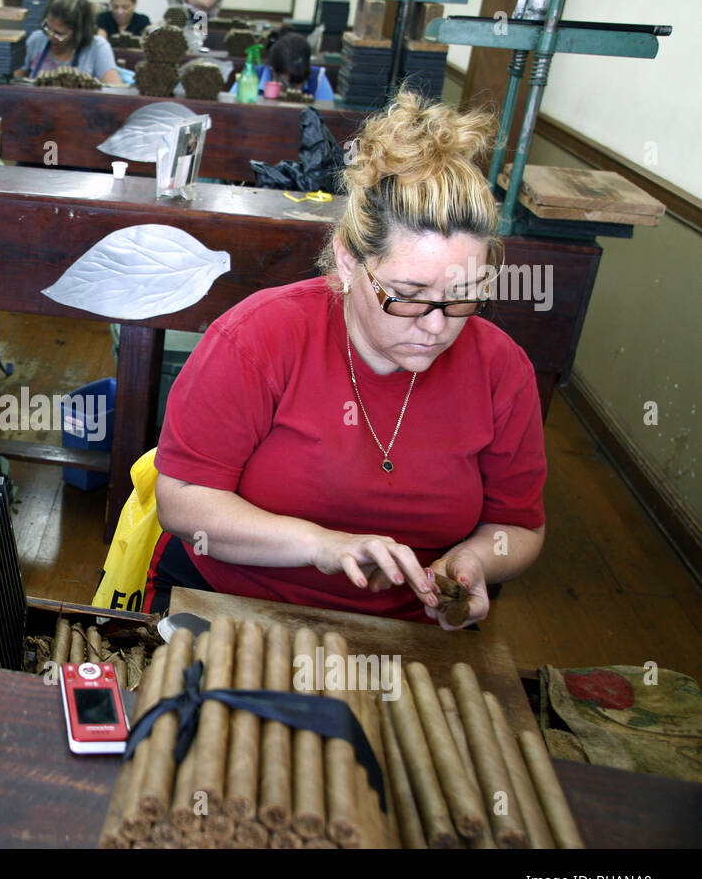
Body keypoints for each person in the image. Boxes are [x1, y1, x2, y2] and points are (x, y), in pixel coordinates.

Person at [147, 92, 547, 629]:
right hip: (235, 605)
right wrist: (319, 545)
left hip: (405, 631)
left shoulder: (502, 370)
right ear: (348, 260)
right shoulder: (260, 338)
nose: (436, 326)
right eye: (407, 294)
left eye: (464, 295)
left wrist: (473, 561)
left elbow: (518, 526)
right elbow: (182, 502)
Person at [16, 0, 123, 84]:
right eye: (47, 27)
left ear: (79, 32)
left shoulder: (98, 48)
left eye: (59, 33)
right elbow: (15, 84)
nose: (50, 37)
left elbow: (115, 94)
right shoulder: (36, 41)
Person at [260, 30, 334, 101]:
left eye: (300, 83)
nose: (295, 91)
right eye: (289, 85)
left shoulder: (317, 79)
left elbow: (326, 110)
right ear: (273, 71)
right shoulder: (254, 77)